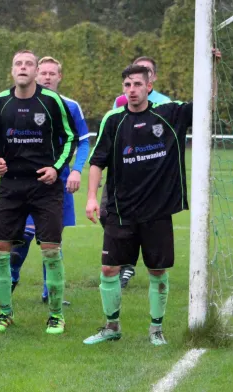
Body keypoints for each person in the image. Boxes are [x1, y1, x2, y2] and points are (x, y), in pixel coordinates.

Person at [84, 64, 193, 346]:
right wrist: (92, 198)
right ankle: (111, 327)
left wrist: (213, 69)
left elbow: (207, 104)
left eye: (137, 84)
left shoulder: (168, 115)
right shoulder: (114, 121)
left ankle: (156, 330)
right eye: (127, 85)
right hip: (121, 211)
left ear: (149, 87)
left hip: (157, 212)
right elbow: (97, 162)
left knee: (157, 271)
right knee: (109, 269)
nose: (131, 90)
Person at [0, 50, 77, 335]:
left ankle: (56, 315)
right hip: (11, 186)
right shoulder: (1, 102)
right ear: (12, 70)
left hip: (45, 187)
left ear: (36, 71)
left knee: (51, 251)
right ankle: (4, 313)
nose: (23, 68)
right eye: (18, 64)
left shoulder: (51, 101)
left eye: (28, 64)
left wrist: (57, 168)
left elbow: (71, 137)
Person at [9, 56, 90, 304]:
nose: (46, 77)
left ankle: (49, 291)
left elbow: (83, 140)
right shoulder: (22, 103)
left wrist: (76, 170)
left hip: (59, 183)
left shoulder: (70, 106)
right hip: (26, 181)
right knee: (23, 235)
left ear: (59, 77)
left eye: (51, 73)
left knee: (52, 239)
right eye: (42, 72)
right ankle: (9, 283)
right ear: (35, 75)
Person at [109, 56, 171, 288]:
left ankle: (130, 264)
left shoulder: (165, 104)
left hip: (151, 182)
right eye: (128, 83)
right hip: (121, 176)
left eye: (144, 74)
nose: (132, 88)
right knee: (109, 214)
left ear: (151, 78)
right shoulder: (119, 102)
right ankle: (127, 260)